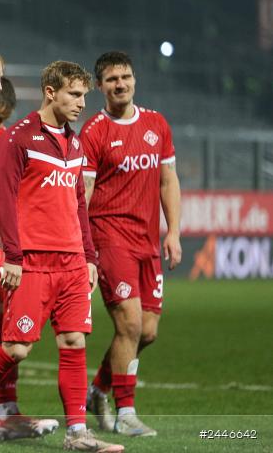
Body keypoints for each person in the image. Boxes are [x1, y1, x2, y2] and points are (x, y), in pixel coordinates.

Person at [0, 60, 124, 453]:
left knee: (72, 344)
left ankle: (77, 434)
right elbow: (3, 203)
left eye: (84, 95)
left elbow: (79, 203)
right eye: (74, 94)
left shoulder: (76, 141)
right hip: (32, 261)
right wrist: (12, 256)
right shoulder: (19, 138)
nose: (82, 103)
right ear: (51, 92)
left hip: (71, 263)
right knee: (16, 348)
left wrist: (89, 256)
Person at [80, 51, 181, 437]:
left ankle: (99, 389)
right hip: (109, 238)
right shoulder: (94, 132)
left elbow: (167, 180)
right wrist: (83, 247)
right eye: (111, 79)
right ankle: (125, 413)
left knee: (148, 331)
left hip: (147, 241)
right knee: (131, 325)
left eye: (125, 77)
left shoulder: (156, 124)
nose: (120, 84)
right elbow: (84, 193)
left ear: (134, 80)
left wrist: (172, 231)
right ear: (100, 86)